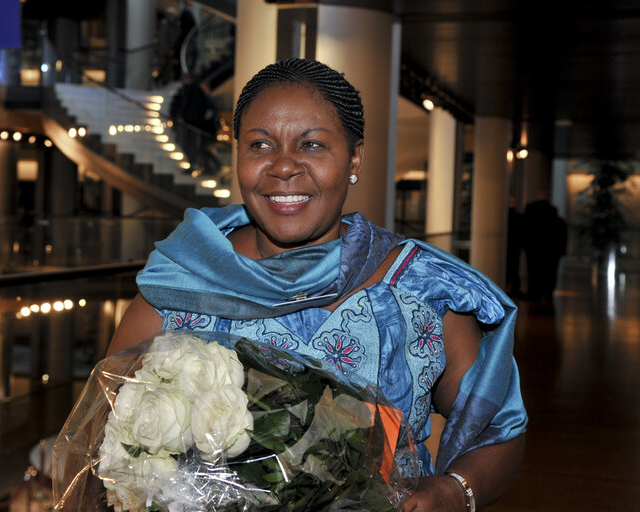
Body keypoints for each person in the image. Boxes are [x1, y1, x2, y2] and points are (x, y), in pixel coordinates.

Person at [109, 58, 527, 512]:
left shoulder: (421, 289)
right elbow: (110, 436)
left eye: (311, 144)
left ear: (354, 158)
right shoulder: (180, 280)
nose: (284, 166)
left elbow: (497, 430)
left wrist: (455, 491)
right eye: (260, 144)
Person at [523, 191, 568, 305]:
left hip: (534, 248)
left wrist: (524, 244)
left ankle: (534, 294)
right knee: (550, 272)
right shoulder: (556, 218)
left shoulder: (531, 212)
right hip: (552, 251)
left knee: (534, 271)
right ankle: (547, 294)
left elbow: (525, 229)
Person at [506, 196, 523, 297]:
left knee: (512, 268)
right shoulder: (517, 216)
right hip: (513, 246)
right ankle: (513, 289)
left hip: (512, 246)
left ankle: (512, 288)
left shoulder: (507, 216)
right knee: (513, 268)